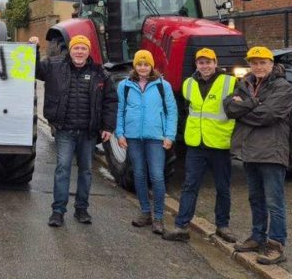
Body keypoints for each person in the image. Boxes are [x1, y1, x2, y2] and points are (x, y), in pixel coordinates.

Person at [30, 34, 117, 227]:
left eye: (83, 48)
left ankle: (82, 209)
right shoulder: (55, 66)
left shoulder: (99, 73)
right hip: (65, 131)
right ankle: (58, 211)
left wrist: (108, 127)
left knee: (86, 171)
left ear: (88, 52)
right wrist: (34, 49)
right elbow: (34, 69)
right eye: (76, 48)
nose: (79, 52)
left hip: (88, 132)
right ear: (70, 50)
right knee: (63, 169)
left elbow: (110, 101)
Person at [224, 46, 292, 265]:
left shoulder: (282, 86)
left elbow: (268, 115)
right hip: (250, 151)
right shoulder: (245, 83)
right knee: (256, 199)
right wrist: (252, 104)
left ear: (271, 64)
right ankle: (257, 237)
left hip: (272, 152)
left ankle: (276, 245)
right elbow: (228, 108)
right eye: (254, 62)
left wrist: (244, 109)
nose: (258, 66)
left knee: (275, 201)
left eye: (263, 62)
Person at [163, 48, 237, 243]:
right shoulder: (188, 84)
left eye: (208, 62)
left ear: (215, 62)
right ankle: (181, 226)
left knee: (223, 187)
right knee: (190, 185)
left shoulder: (230, 82)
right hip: (196, 144)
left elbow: (237, 109)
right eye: (201, 63)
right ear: (196, 64)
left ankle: (223, 225)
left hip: (219, 144)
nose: (205, 66)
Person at [115, 50, 177, 235]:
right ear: (135, 66)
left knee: (157, 176)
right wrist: (120, 133)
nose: (142, 68)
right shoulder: (124, 86)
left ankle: (158, 216)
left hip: (156, 138)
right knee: (139, 175)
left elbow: (171, 112)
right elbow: (120, 111)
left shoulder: (162, 86)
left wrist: (169, 136)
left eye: (146, 64)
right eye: (139, 64)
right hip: (133, 137)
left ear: (151, 66)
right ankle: (145, 212)